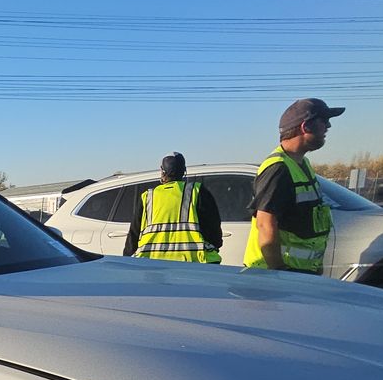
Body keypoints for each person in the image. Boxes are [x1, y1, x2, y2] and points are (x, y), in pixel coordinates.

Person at [244, 98, 343, 273]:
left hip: (299, 271)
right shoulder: (278, 168)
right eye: (323, 120)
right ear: (305, 127)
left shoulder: (303, 164)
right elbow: (265, 224)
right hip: (279, 274)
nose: (328, 126)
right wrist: (279, 272)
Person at [124, 152, 222, 263]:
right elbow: (214, 231)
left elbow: (133, 238)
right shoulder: (197, 191)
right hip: (194, 263)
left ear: (162, 171)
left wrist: (127, 261)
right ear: (184, 171)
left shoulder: (147, 197)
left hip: (152, 264)